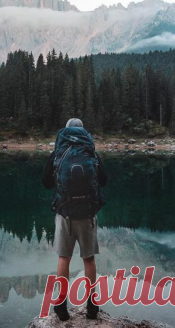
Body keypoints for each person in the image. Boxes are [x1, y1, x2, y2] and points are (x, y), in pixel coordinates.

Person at [41, 114, 107, 319]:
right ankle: (92, 306)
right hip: (87, 214)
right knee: (89, 259)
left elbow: (46, 183)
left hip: (65, 214)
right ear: (84, 131)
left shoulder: (59, 152)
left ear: (66, 131)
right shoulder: (91, 152)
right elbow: (104, 181)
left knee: (64, 258)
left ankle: (61, 305)